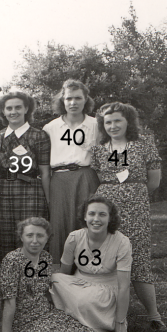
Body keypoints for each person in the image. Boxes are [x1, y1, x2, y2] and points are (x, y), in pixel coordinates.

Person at [89, 102, 165, 330]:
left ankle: (154, 315)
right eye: (108, 122)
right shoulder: (99, 148)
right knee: (106, 255)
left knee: (138, 256)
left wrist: (133, 194)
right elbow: (97, 178)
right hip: (107, 207)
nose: (112, 126)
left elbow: (154, 181)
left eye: (117, 121)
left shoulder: (143, 144)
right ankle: (106, 312)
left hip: (136, 206)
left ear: (128, 121)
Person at [0, 217, 102, 332]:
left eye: (40, 236)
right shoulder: (12, 261)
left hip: (45, 313)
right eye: (29, 235)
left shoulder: (45, 258)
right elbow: (9, 302)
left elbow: (44, 290)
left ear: (47, 238)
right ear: (21, 237)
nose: (35, 241)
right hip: (23, 322)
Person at [51, 196, 132, 332]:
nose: (96, 219)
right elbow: (64, 273)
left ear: (110, 218)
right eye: (92, 214)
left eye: (102, 214)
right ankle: (78, 314)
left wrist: (120, 322)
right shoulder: (74, 238)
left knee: (86, 300)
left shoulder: (122, 242)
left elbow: (124, 287)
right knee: (54, 279)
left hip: (105, 291)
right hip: (79, 285)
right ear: (85, 217)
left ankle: (94, 320)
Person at [0, 90, 51, 265]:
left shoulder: (39, 135)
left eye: (18, 107)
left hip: (31, 190)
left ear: (26, 109)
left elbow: (45, 172)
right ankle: (7, 280)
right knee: (4, 234)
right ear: (3, 111)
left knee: (31, 234)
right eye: (8, 108)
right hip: (3, 191)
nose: (13, 111)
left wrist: (49, 201)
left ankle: (34, 280)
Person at [43, 80, 100, 264]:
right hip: (59, 179)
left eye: (78, 98)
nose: (73, 103)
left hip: (86, 176)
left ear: (86, 100)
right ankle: (61, 274)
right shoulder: (50, 128)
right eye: (69, 98)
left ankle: (91, 268)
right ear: (62, 101)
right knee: (60, 224)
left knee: (87, 220)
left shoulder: (96, 124)